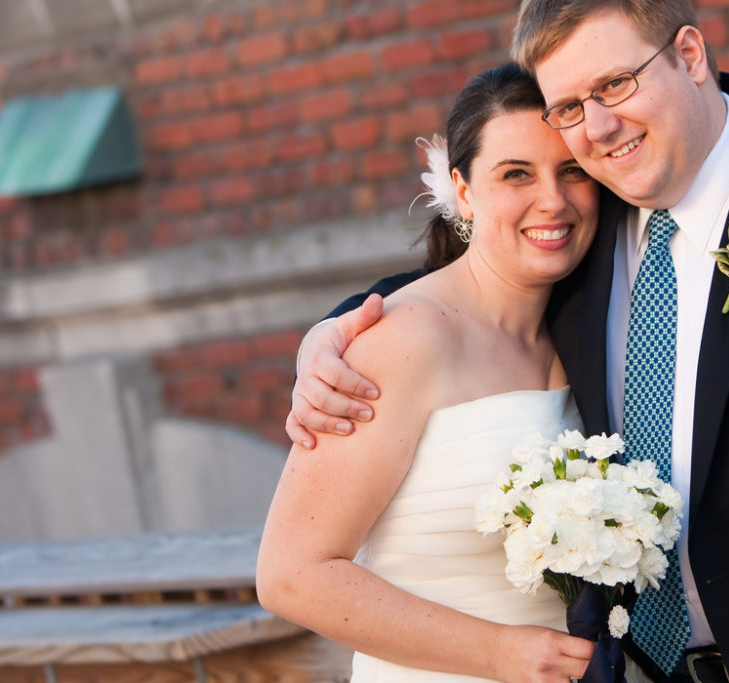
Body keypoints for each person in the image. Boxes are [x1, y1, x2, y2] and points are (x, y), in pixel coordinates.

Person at [285, 2, 729, 682]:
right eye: (570, 107)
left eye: (616, 83)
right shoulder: (584, 225)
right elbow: (469, 285)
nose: (598, 126)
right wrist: (335, 331)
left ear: (689, 54)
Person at [256, 63, 605, 682]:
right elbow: (292, 575)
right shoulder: (403, 338)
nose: (552, 199)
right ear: (463, 190)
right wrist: (501, 654)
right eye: (516, 174)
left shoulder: (585, 324)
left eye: (571, 169)